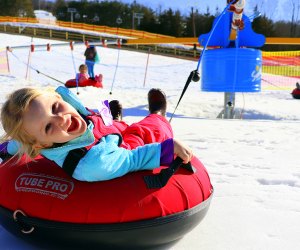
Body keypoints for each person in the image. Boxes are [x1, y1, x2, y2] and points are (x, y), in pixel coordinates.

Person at [0, 86, 193, 182]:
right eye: (48, 127)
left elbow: (20, 142)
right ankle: (157, 114)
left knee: (95, 114)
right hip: (118, 145)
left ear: (58, 98)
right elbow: (131, 159)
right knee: (144, 130)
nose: (61, 118)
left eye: (56, 106)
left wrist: (5, 148)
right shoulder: (91, 163)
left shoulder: (55, 126)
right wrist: (165, 150)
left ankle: (113, 119)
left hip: (99, 128)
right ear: (41, 146)